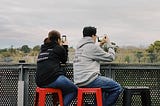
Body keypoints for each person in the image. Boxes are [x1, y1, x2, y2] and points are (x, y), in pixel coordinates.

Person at [73, 26, 122, 106]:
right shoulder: (92, 47)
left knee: (104, 89)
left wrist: (100, 44)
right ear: (93, 36)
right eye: (96, 36)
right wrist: (109, 44)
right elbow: (111, 57)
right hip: (89, 80)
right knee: (117, 88)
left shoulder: (79, 47)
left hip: (78, 80)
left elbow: (91, 52)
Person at [35, 30, 77, 106]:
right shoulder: (58, 48)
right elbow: (64, 60)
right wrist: (65, 46)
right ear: (58, 39)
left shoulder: (42, 50)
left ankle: (59, 103)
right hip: (53, 79)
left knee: (62, 89)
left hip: (39, 82)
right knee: (74, 90)